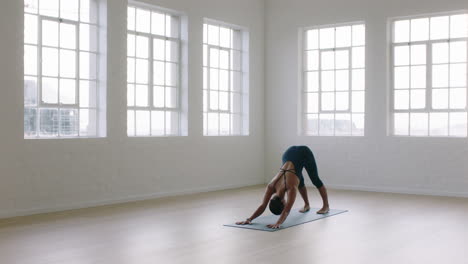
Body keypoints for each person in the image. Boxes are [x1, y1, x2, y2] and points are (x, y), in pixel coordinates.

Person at [236, 145, 329, 229]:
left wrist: (278, 223)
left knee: (315, 180)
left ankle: (326, 206)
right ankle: (306, 205)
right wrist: (249, 219)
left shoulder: (291, 188)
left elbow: (286, 210)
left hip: (304, 153)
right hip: (288, 153)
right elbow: (263, 206)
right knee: (299, 180)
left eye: (284, 205)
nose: (286, 204)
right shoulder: (271, 186)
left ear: (282, 202)